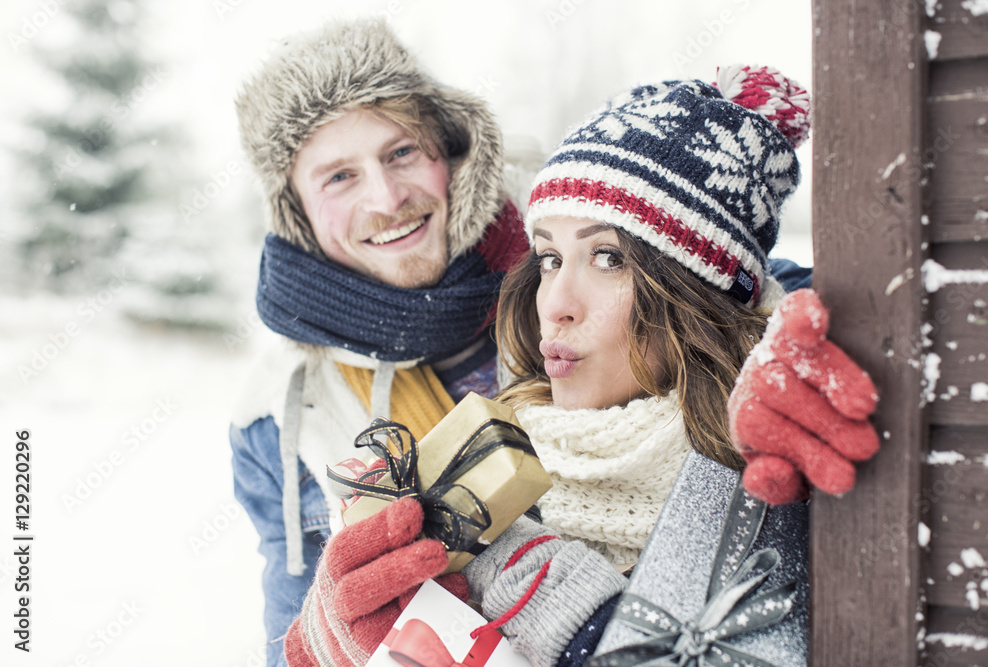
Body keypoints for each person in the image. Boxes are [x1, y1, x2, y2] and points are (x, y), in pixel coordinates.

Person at [282, 67, 881, 667]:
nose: (557, 305)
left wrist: (556, 606)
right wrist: (327, 644)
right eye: (547, 258)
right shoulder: (490, 466)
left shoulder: (774, 468)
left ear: (697, 293)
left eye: (607, 257)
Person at [228, 18, 529, 667]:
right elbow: (288, 648)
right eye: (339, 176)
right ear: (298, 214)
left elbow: (735, 292)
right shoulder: (279, 415)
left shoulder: (570, 268)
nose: (388, 197)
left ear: (449, 155)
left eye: (401, 153)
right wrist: (329, 631)